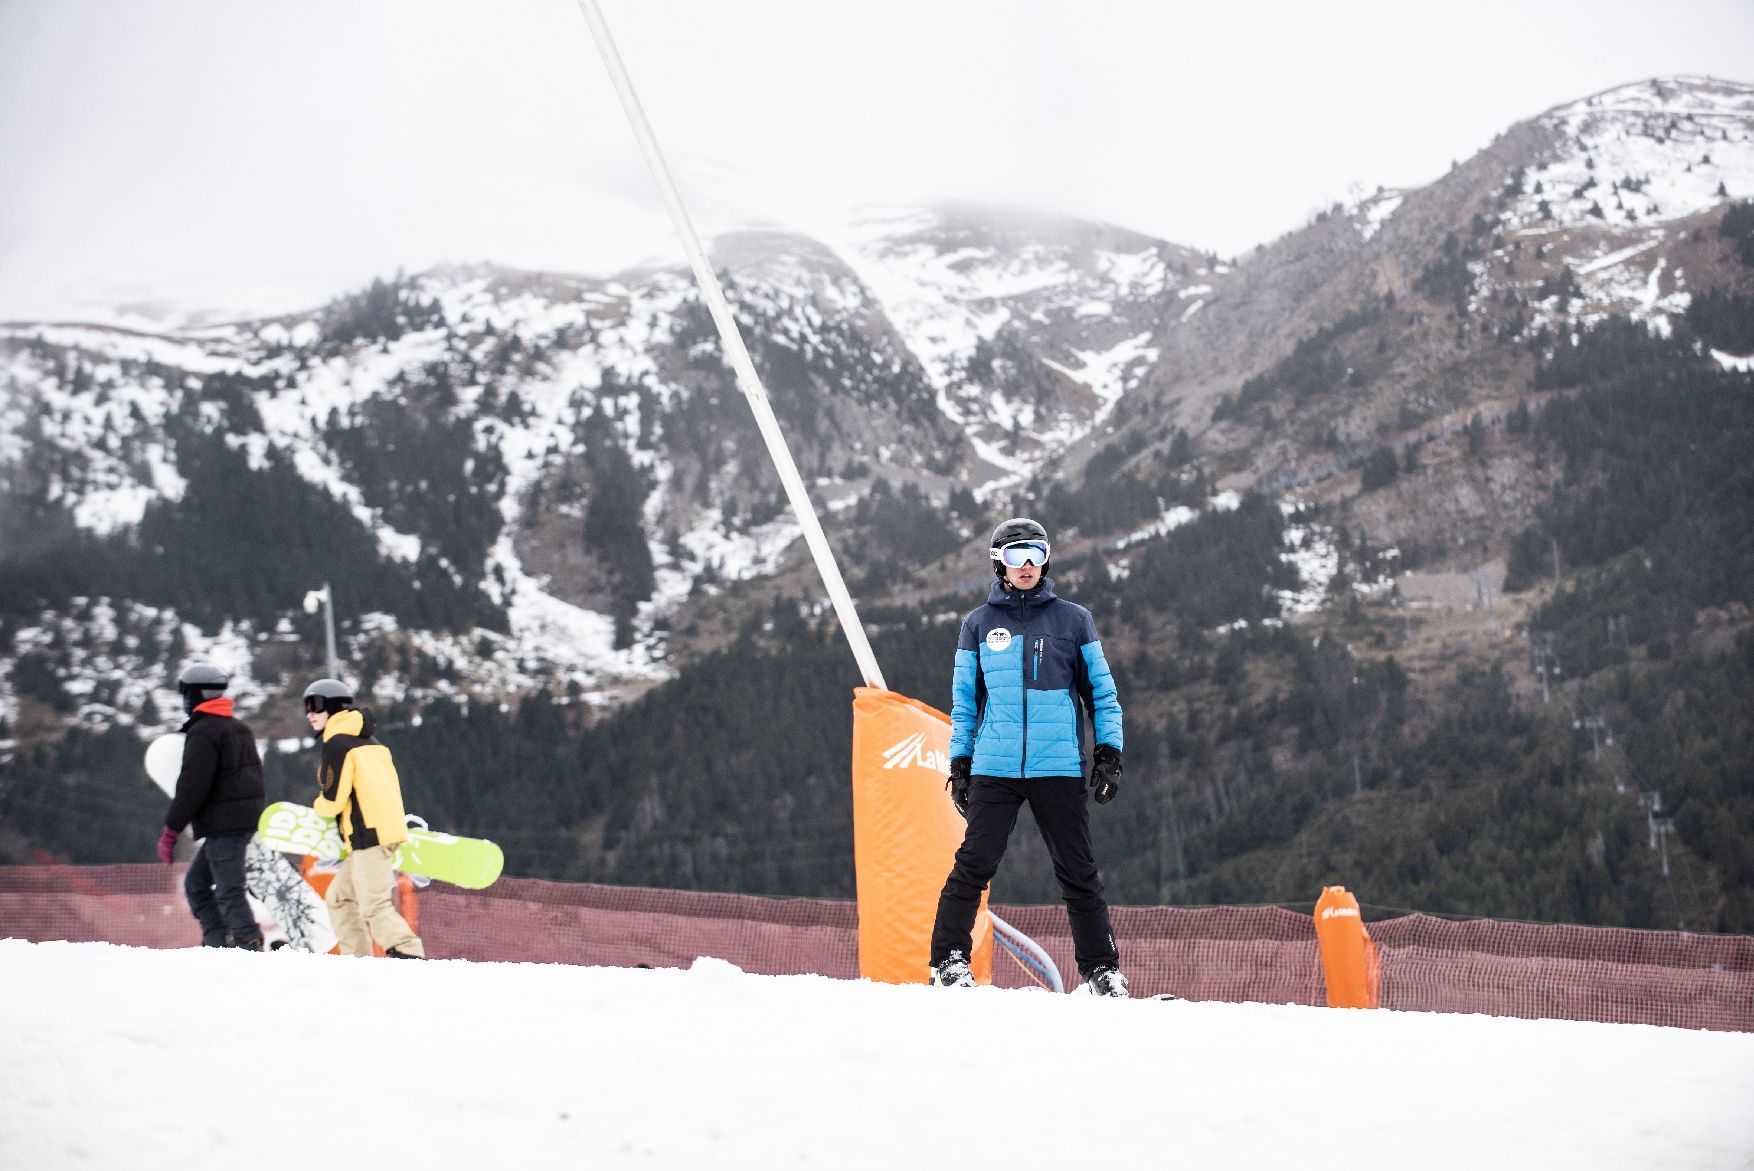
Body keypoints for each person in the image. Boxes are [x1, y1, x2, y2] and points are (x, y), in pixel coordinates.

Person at [928, 517, 1129, 996]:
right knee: (973, 864)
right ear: (999, 562)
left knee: (1079, 872)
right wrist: (961, 762)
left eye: (1037, 552)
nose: (1028, 565)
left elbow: (1102, 694)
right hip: (995, 767)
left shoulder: (1073, 620)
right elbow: (965, 703)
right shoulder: (977, 625)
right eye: (1017, 555)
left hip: (1057, 766)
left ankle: (1102, 973)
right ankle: (948, 962)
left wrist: (1109, 751)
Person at [303, 678, 425, 959]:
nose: (310, 713)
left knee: (374, 905)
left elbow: (333, 801)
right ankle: (357, 961)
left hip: (367, 835)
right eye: (307, 706)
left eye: (316, 705)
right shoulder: (372, 742)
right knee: (340, 898)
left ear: (333, 708)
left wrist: (317, 807)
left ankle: (410, 955)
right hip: (379, 833)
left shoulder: (337, 744)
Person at [158, 662, 266, 950]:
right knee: (196, 884)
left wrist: (171, 831)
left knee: (229, 890)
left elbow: (192, 787)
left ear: (194, 695)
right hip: (237, 824)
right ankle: (217, 941)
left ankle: (248, 942)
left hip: (225, 826)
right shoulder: (239, 728)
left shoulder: (204, 732)